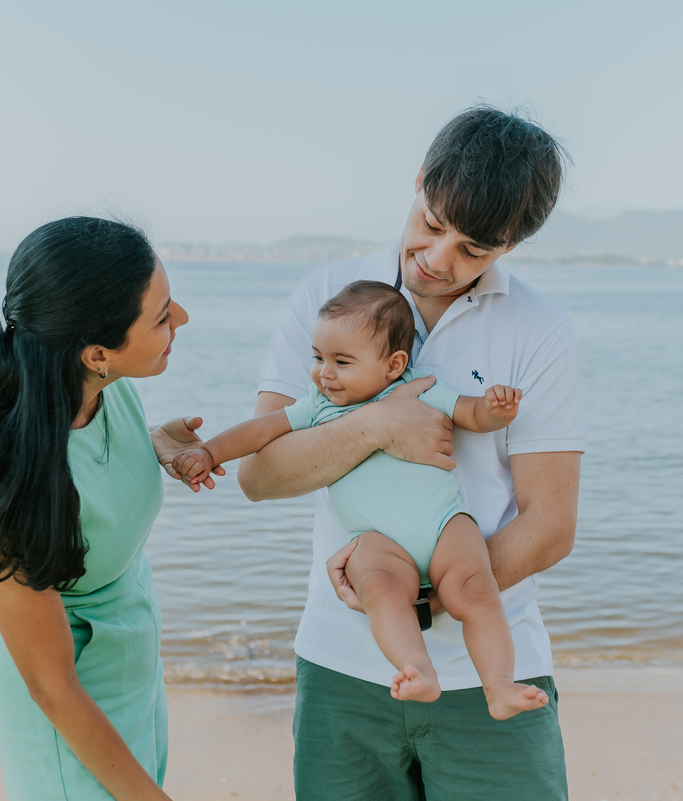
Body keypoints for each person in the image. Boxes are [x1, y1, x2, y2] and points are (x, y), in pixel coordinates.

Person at [236, 106, 586, 800]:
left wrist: (414, 599)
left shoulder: (539, 329)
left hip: (493, 674)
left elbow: (550, 525)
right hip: (341, 668)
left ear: (513, 243)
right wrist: (375, 426)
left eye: (473, 250)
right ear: (420, 178)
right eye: (431, 223)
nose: (437, 258)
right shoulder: (326, 298)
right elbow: (259, 474)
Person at [0, 217, 222, 801]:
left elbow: (87, 467)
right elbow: (51, 687)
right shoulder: (13, 479)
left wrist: (152, 442)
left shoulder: (112, 391)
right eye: (162, 315)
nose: (182, 319)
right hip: (70, 710)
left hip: (132, 665)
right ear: (97, 353)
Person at [171, 280, 547, 719]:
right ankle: (418, 670)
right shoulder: (318, 405)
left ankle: (499, 685)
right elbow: (259, 431)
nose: (324, 373)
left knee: (478, 591)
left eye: (341, 362)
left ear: (393, 365)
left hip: (444, 523)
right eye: (318, 358)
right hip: (377, 540)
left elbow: (471, 413)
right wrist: (209, 452)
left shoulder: (420, 388)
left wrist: (495, 410)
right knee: (381, 591)